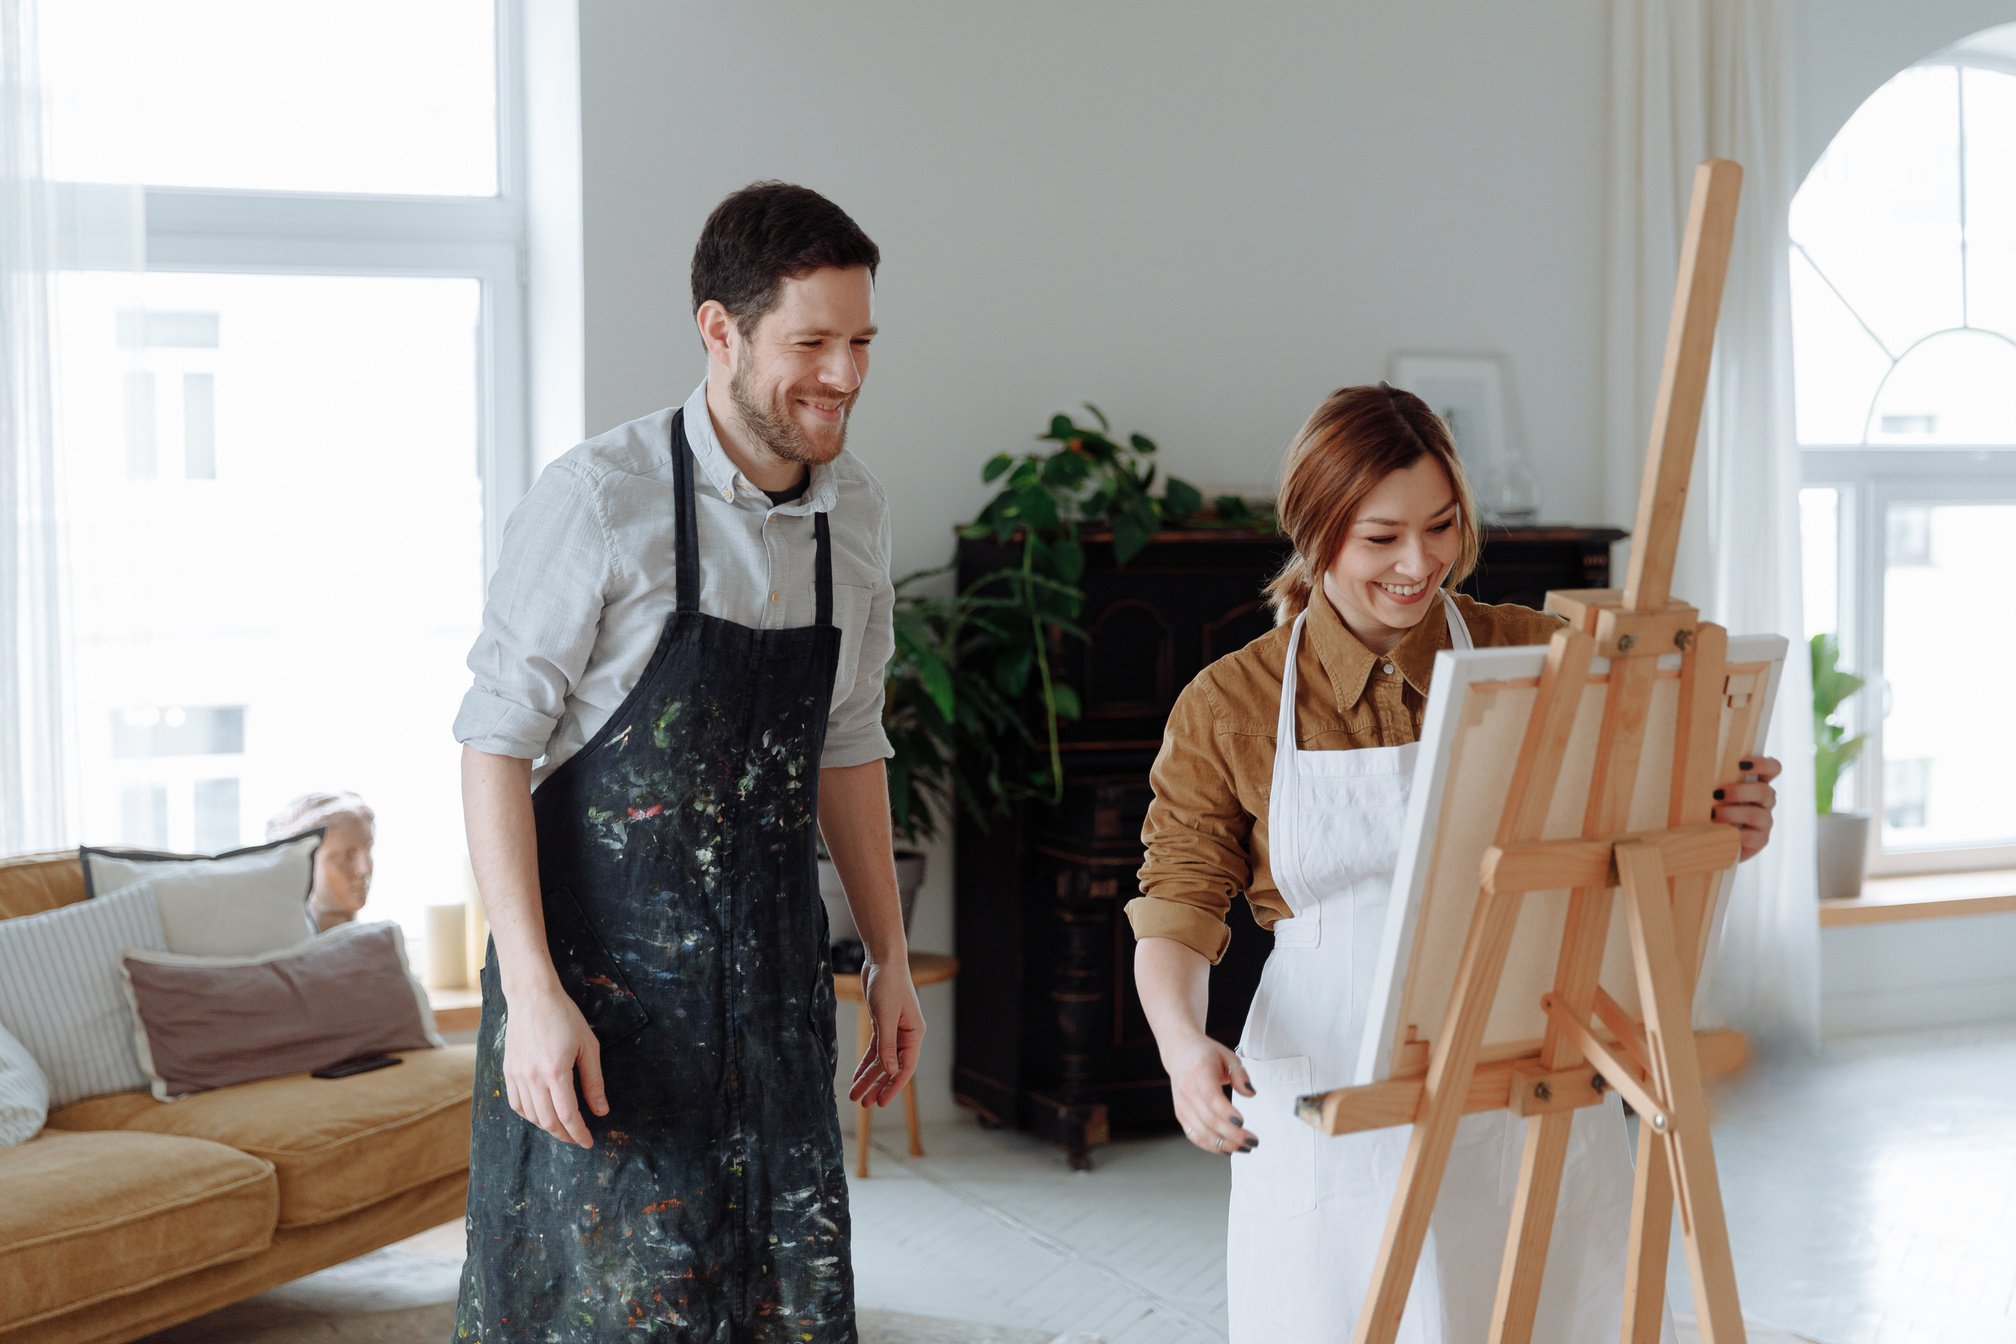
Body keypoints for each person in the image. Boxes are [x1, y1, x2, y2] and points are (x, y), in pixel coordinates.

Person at [1127, 384, 1780, 1342]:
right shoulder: (1231, 702)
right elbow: (1177, 904)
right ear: (1316, 533)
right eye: (1381, 537)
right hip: (1338, 1066)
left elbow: (1631, 832)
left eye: (1439, 528)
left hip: (1528, 1062)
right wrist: (1184, 1047)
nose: (1417, 562)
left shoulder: (1539, 656)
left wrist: (1723, 821)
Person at [450, 181, 922, 1342]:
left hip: (774, 1015)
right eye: (811, 342)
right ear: (721, 331)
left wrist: (893, 961)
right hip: (601, 1028)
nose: (846, 375)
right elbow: (492, 745)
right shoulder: (599, 503)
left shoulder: (854, 514)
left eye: (861, 341)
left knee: (778, 1312)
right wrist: (533, 1000)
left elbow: (846, 743)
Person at [264, 790, 375, 933]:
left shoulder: (384, 945)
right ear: (304, 864)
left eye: (369, 849)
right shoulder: (279, 947)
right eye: (345, 856)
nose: (365, 868)